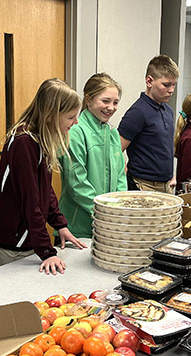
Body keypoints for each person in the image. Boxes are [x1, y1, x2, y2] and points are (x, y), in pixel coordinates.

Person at [0, 78, 87, 274]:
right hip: (14, 240)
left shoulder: (40, 139)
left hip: (28, 237)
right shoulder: (24, 142)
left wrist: (60, 224)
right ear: (51, 115)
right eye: (70, 117)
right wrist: (47, 251)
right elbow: (30, 200)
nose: (75, 122)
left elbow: (45, 189)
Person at [58, 73, 127, 238]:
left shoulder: (113, 134)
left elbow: (120, 176)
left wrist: (119, 208)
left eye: (115, 102)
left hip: (108, 223)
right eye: (105, 101)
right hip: (78, 228)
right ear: (88, 99)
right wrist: (103, 211)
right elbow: (77, 182)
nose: (111, 107)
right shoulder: (75, 132)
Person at [118, 55, 179, 193]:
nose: (171, 90)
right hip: (143, 185)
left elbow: (166, 147)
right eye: (166, 84)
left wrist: (172, 173)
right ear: (149, 81)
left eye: (174, 84)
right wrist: (125, 176)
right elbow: (115, 150)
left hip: (166, 185)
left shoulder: (168, 110)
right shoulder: (137, 112)